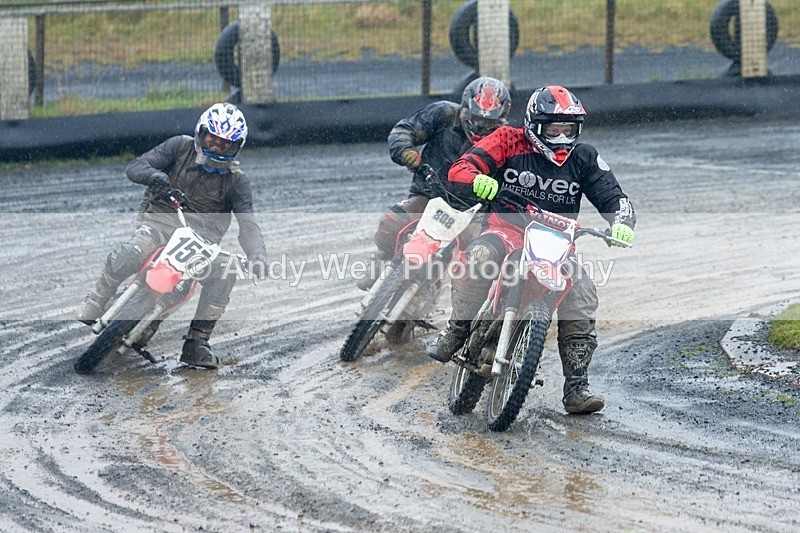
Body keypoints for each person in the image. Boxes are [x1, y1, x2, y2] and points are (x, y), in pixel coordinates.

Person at [426, 86, 636, 414]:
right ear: (535, 124)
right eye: (554, 129)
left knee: (582, 294)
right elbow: (461, 168)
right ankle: (457, 329)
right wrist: (476, 179)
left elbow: (615, 198)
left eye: (569, 129)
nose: (562, 136)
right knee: (480, 258)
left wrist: (622, 222)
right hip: (506, 230)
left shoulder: (585, 158)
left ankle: (576, 387)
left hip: (557, 244)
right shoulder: (509, 139)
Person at [76, 103, 268, 369]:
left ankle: (197, 342)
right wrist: (154, 175)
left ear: (236, 146)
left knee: (226, 271)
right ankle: (98, 298)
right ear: (202, 132)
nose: (215, 146)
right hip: (161, 222)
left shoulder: (237, 181)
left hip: (201, 243)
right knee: (131, 252)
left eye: (224, 143)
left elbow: (248, 224)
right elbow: (136, 166)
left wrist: (257, 255)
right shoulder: (179, 147)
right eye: (212, 137)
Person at [358, 77, 511, 290]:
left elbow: (515, 177)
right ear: (465, 108)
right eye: (476, 118)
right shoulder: (444, 114)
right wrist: (405, 151)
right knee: (393, 221)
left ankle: (468, 308)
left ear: (501, 119)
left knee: (481, 255)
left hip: (472, 212)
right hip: (429, 193)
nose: (481, 126)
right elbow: (404, 130)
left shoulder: (507, 140)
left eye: (489, 123)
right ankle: (383, 257)